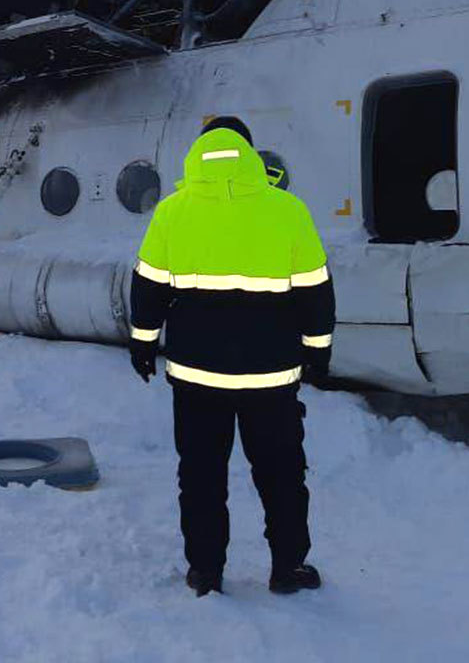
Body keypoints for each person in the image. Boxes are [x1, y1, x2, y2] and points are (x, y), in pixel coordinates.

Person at [129, 116, 335, 598]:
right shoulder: (287, 209)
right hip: (271, 379)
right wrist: (318, 351)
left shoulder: (172, 211)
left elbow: (148, 287)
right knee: (282, 475)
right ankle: (288, 568)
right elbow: (315, 290)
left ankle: (205, 571)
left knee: (201, 476)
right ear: (248, 152)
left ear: (200, 153)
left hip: (197, 379)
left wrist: (143, 343)